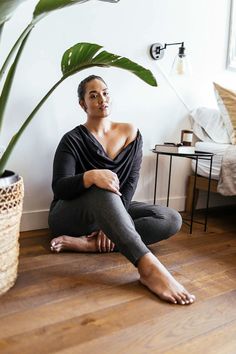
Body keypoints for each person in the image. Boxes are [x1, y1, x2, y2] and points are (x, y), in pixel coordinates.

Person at [48, 75, 196, 305]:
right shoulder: (71, 140)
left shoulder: (131, 133)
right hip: (70, 215)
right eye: (93, 95)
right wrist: (90, 176)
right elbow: (60, 187)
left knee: (170, 218)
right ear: (82, 104)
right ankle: (149, 268)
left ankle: (90, 245)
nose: (101, 99)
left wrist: (111, 225)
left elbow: (129, 184)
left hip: (113, 208)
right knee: (103, 188)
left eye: (105, 93)